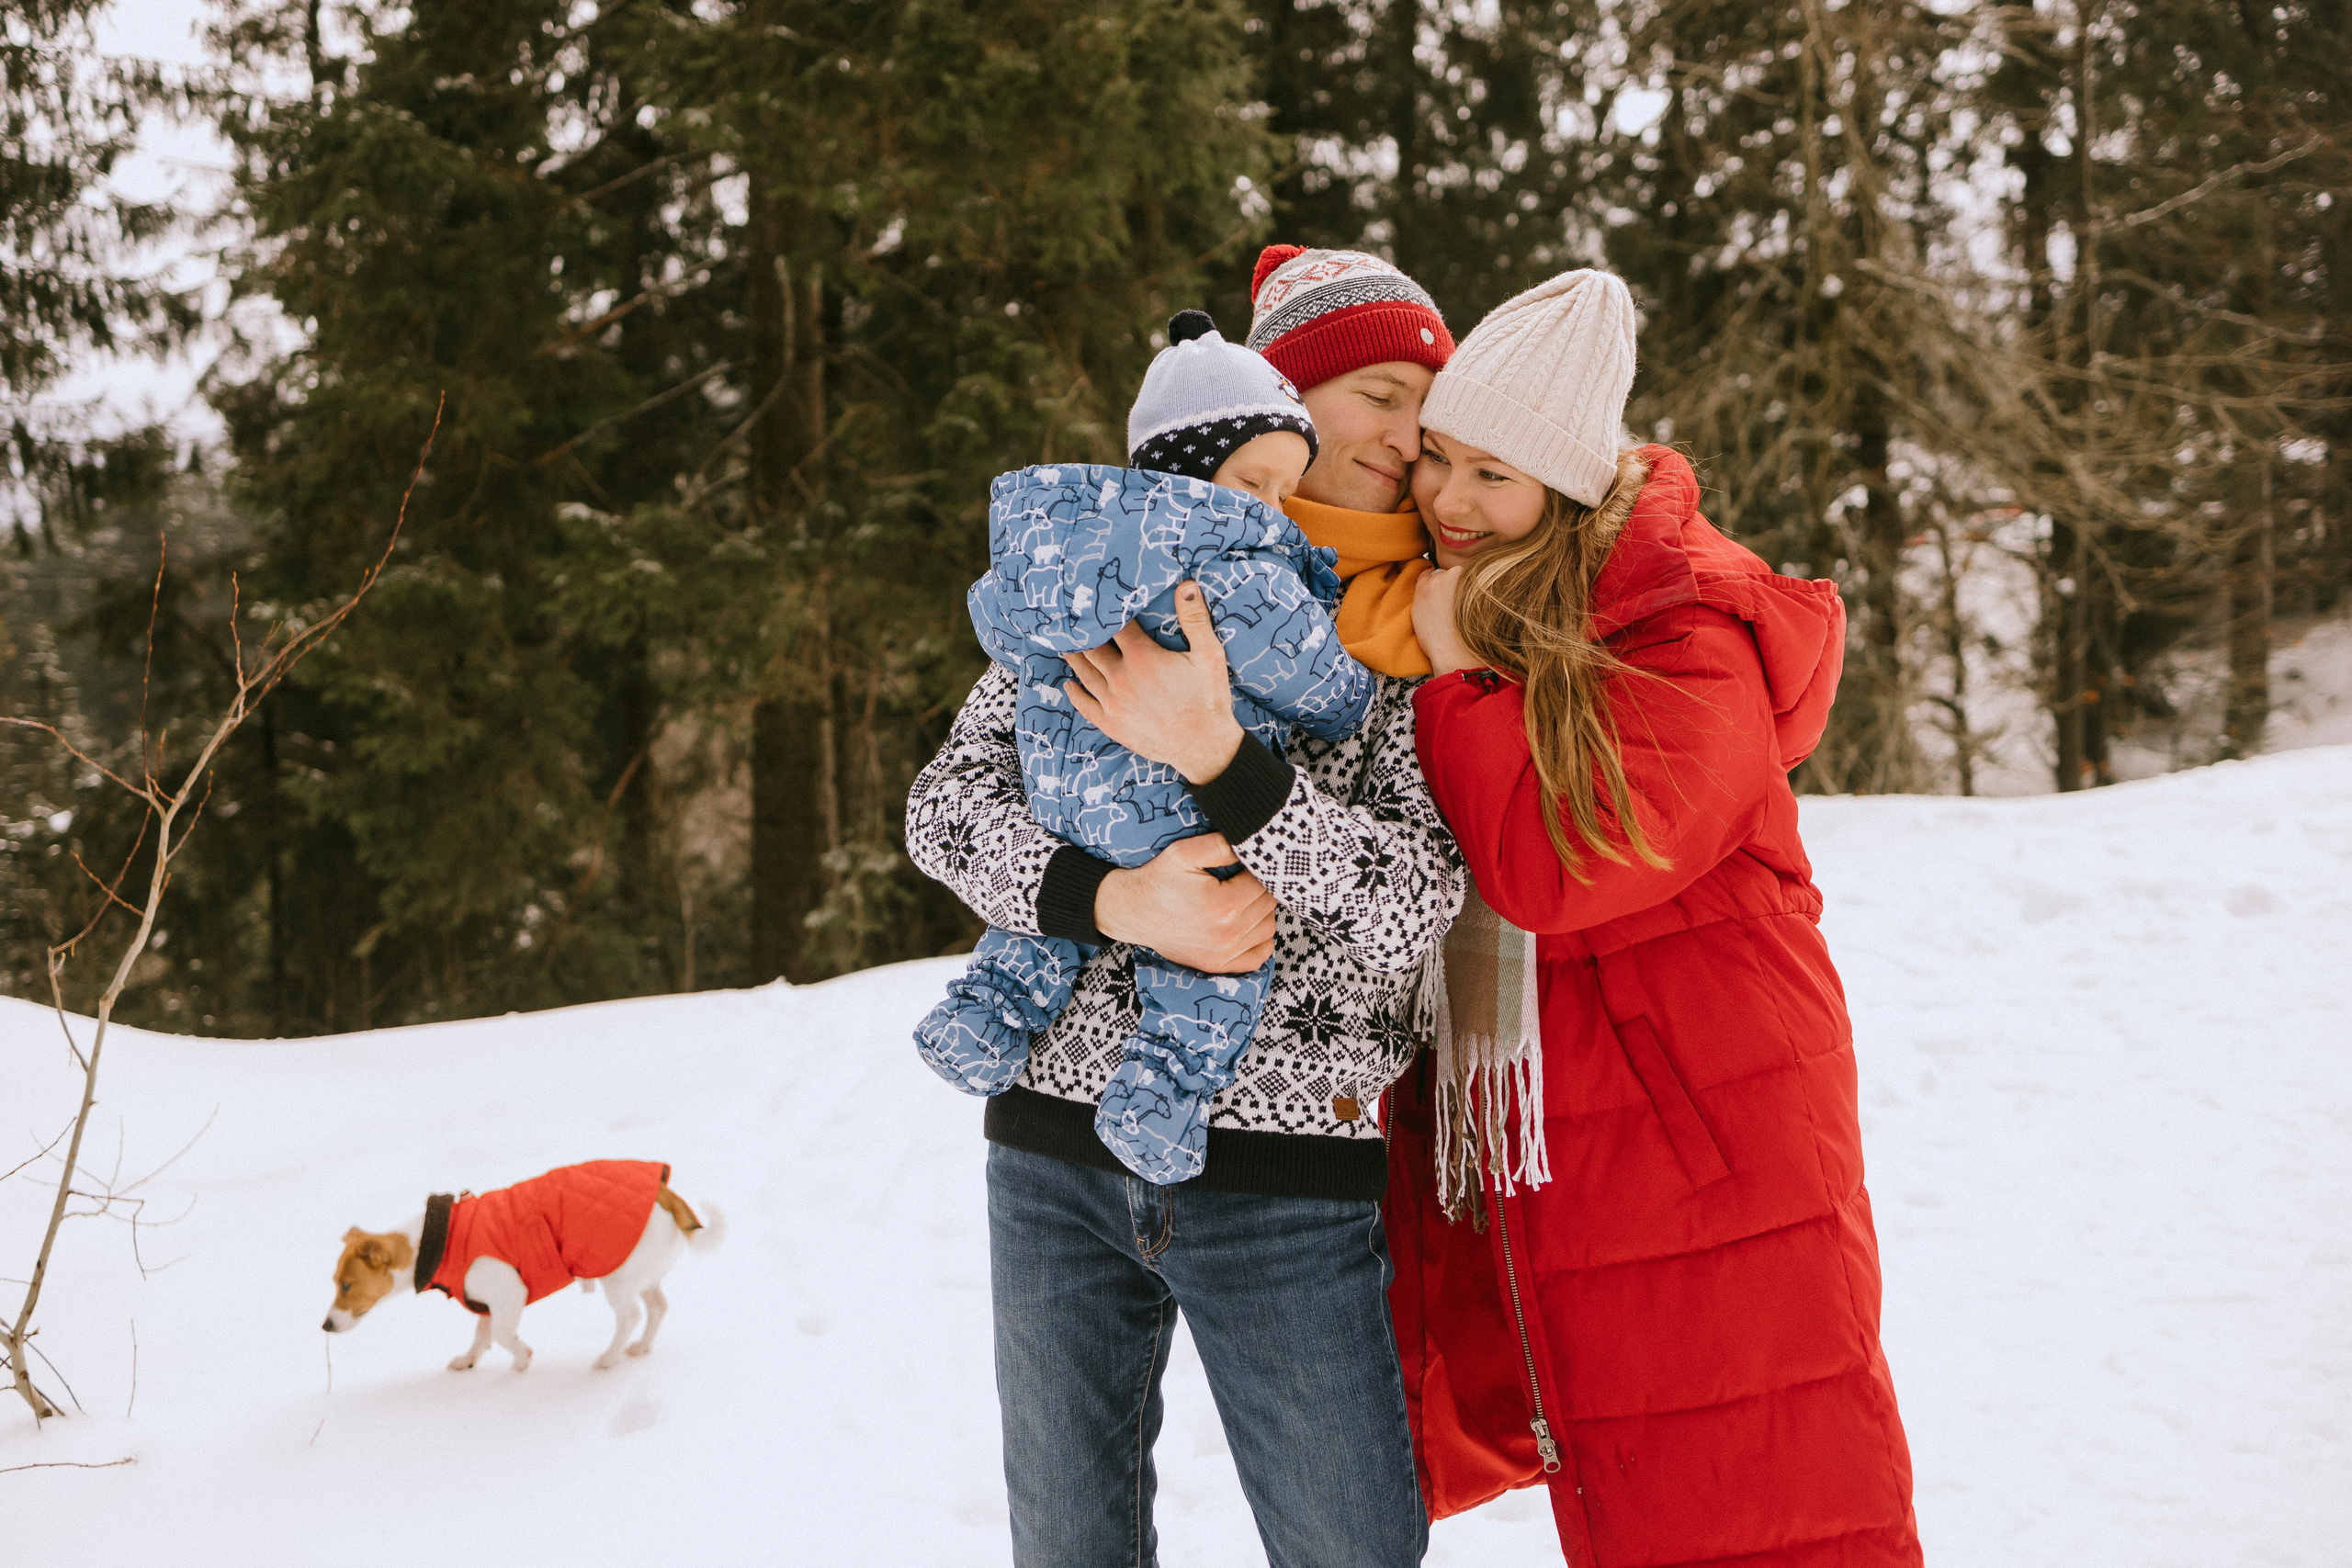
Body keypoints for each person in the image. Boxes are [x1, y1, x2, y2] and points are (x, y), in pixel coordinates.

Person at [904, 244, 1458, 1568]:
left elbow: (1416, 900)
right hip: (1052, 1154)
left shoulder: (1414, 626)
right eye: (1380, 394)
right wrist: (1115, 899)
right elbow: (945, 808)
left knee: (1351, 1547)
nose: (1408, 435)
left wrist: (1227, 757)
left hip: (1286, 1182)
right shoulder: (1103, 572)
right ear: (1287, 399)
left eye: (1427, 415)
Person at [1386, 268, 1925, 1566]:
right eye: (1438, 461)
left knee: (1771, 1490)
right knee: (1653, 1492)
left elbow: (1552, 865)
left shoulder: (1686, 635)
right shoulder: (1525, 598)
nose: (1451, 503)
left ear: (1569, 487)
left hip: (1712, 1128)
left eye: (1493, 476)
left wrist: (1457, 667)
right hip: (1612, 1132)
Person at [913, 310, 1375, 1187]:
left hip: (1069, 805)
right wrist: (1114, 901)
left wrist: (1205, 752)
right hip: (1169, 849)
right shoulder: (1242, 574)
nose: (1275, 514)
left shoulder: (1049, 565)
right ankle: (1158, 1098)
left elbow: (1404, 905)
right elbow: (1327, 692)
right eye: (1258, 486)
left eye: (1288, 493)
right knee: (1211, 964)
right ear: (1195, 471)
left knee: (1032, 945)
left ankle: (979, 1018)